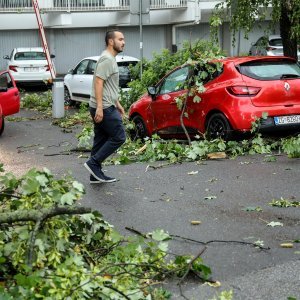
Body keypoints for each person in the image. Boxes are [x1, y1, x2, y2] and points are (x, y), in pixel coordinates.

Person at [84, 30, 126, 183]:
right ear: (111, 41)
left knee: (100, 140)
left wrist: (118, 103)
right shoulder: (107, 59)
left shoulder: (110, 58)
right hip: (104, 108)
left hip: (107, 105)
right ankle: (93, 163)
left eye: (123, 39)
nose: (123, 42)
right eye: (120, 39)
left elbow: (109, 85)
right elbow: (98, 82)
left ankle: (94, 175)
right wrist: (101, 107)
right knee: (119, 136)